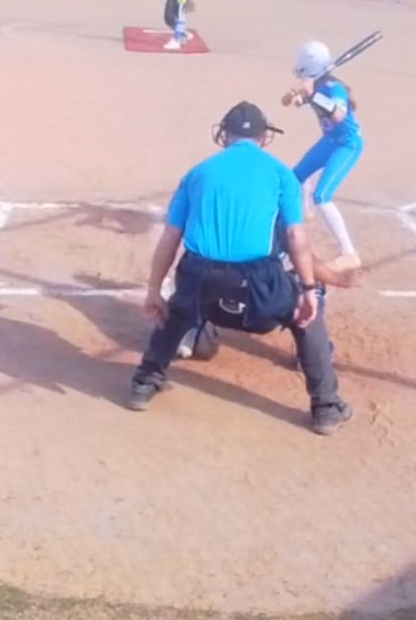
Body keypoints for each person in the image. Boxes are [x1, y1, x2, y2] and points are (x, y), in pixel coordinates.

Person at [127, 101, 352, 436]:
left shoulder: (197, 173)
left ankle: (145, 382)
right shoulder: (281, 175)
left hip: (201, 284)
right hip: (260, 288)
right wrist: (307, 288)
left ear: (224, 134)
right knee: (308, 309)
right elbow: (294, 237)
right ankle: (326, 407)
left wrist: (153, 291)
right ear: (264, 136)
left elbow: (170, 239)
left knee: (177, 308)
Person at [281, 40, 365, 279]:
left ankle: (349, 254)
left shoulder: (334, 88)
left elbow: (338, 115)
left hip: (347, 145)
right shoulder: (316, 84)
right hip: (330, 141)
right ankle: (304, 211)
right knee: (294, 177)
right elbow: (287, 103)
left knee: (323, 195)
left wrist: (312, 95)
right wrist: (296, 94)